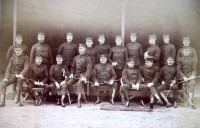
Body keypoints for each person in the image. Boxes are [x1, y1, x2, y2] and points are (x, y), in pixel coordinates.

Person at [66, 44, 92, 108]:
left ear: (85, 49)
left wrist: (85, 77)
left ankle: (79, 101)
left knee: (79, 83)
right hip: (76, 75)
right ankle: (74, 97)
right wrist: (72, 73)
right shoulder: (76, 57)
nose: (80, 50)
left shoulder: (88, 58)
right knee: (68, 84)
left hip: (83, 75)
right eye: (79, 48)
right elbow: (73, 67)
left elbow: (89, 69)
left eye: (82, 48)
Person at [6, 34, 28, 101]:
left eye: (20, 39)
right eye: (18, 39)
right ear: (15, 40)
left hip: (22, 67)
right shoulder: (12, 47)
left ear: (22, 39)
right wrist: (12, 63)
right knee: (14, 81)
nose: (19, 40)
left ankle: (19, 94)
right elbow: (7, 57)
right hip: (14, 66)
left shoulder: (25, 47)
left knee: (20, 80)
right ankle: (14, 94)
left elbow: (26, 55)